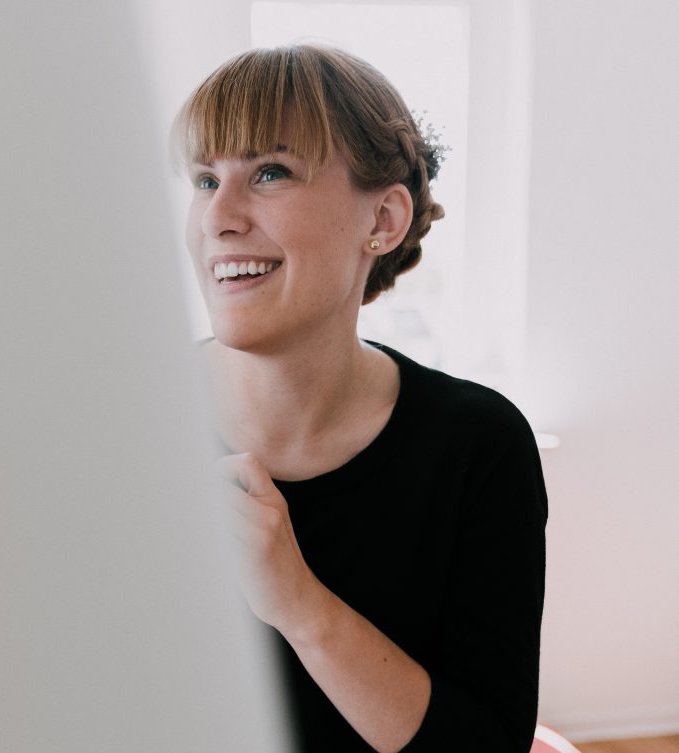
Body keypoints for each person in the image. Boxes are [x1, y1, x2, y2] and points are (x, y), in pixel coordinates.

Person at [174, 45, 547, 753]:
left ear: (383, 218)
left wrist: (296, 601)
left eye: (271, 172)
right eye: (204, 179)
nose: (216, 218)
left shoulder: (479, 446)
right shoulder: (117, 426)